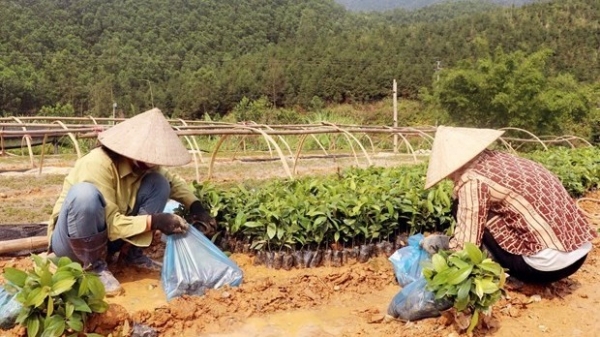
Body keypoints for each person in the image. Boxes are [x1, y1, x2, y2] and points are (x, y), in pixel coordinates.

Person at [47, 108, 217, 296]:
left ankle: (131, 255)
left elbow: (173, 182)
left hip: (107, 239)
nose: (153, 162)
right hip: (72, 242)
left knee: (159, 183)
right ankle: (92, 267)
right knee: (84, 195)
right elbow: (111, 224)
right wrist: (155, 221)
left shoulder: (144, 166)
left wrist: (196, 206)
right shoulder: (97, 164)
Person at [421, 126, 597, 284]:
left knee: (459, 206)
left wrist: (446, 262)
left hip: (547, 268)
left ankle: (493, 263)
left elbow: (466, 245)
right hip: (579, 253)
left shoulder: (472, 181)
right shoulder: (505, 160)